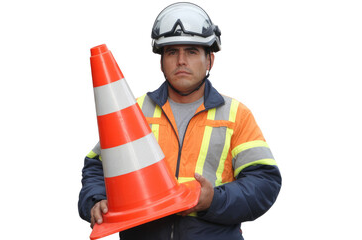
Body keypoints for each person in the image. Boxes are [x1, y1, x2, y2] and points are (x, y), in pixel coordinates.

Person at [78, 2, 281, 239]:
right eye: (172, 51)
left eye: (192, 51)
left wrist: (213, 200)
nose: (181, 60)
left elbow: (264, 182)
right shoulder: (134, 112)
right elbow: (97, 165)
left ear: (209, 60)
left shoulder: (236, 115)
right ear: (161, 60)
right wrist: (96, 199)